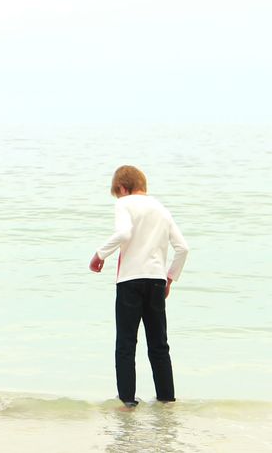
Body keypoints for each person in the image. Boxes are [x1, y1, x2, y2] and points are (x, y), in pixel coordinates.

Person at [89, 165, 189, 408]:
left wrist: (99, 254)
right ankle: (166, 400)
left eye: (119, 193)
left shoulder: (124, 204)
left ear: (122, 188)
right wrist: (170, 278)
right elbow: (183, 248)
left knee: (126, 343)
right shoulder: (162, 209)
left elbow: (124, 233)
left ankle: (127, 402)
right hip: (156, 281)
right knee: (158, 344)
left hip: (130, 281)